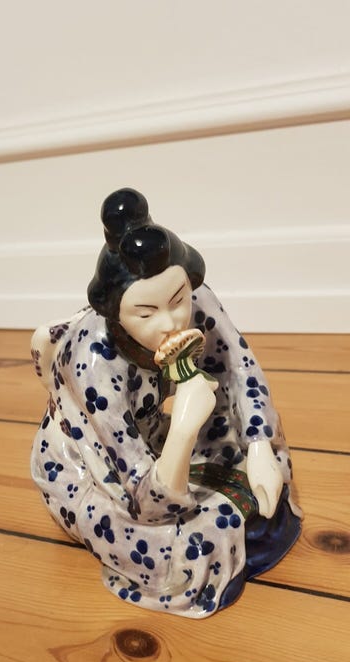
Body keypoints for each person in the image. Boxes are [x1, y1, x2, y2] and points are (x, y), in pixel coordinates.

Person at [30, 188, 301, 618]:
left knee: (268, 467)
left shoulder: (192, 298)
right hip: (95, 471)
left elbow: (238, 368)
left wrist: (258, 446)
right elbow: (143, 499)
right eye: (145, 313)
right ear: (115, 313)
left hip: (155, 436)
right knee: (182, 546)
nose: (172, 322)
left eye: (178, 301)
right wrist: (183, 430)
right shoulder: (92, 362)